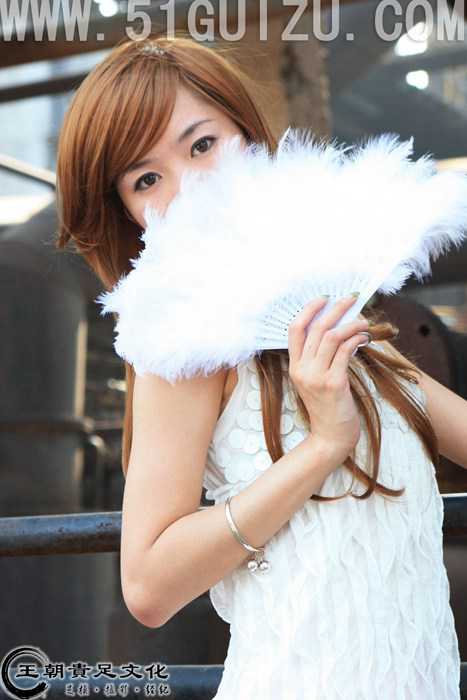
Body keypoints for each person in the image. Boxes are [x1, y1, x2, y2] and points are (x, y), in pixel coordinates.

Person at [55, 31, 462, 699]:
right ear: (127, 210)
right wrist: (323, 446)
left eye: (202, 145)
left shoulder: (339, 319)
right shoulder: (181, 352)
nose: (190, 189)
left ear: (247, 135)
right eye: (147, 179)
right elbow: (148, 586)